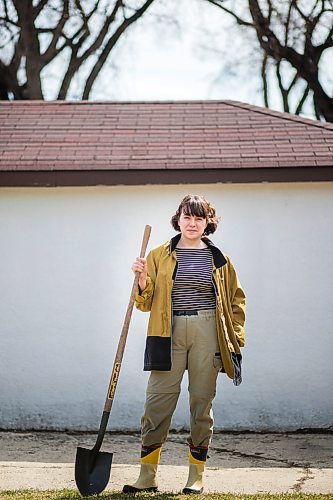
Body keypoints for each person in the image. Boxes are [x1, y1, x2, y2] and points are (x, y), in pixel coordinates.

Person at [123, 194, 246, 494]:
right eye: (187, 217)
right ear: (177, 219)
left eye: (199, 218)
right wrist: (141, 282)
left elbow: (236, 302)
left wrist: (234, 339)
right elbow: (145, 303)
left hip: (208, 333)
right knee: (157, 401)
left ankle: (196, 475)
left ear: (208, 222)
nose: (192, 223)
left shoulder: (220, 260)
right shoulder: (157, 255)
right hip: (168, 332)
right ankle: (147, 475)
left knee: (201, 403)